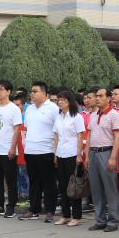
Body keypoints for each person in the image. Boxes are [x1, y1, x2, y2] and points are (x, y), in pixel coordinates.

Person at [20, 82, 60, 222]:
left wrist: (56, 152)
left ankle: (50, 210)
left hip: (46, 151)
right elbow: (27, 128)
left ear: (44, 93)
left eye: (35, 91)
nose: (32, 94)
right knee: (34, 182)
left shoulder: (53, 108)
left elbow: (58, 131)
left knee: (48, 183)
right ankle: (34, 209)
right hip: (30, 151)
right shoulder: (29, 109)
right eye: (31, 91)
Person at [85, 86, 119, 232]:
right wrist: (86, 155)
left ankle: (113, 221)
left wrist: (113, 157)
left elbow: (118, 137)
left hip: (107, 152)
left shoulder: (114, 115)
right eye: (96, 96)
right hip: (93, 153)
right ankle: (100, 220)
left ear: (108, 98)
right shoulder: (93, 115)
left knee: (110, 189)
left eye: (101, 96)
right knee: (96, 189)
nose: (97, 98)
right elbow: (89, 136)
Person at [0, 80, 23, 217]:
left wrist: (13, 147)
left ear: (8, 92)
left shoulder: (14, 108)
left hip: (8, 150)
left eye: (2, 89)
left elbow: (17, 129)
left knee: (10, 180)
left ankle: (11, 206)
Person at [53, 89, 87, 226]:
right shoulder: (59, 117)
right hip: (61, 153)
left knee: (74, 186)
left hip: (72, 154)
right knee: (62, 186)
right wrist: (55, 154)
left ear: (70, 101)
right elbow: (56, 136)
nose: (60, 102)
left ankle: (77, 216)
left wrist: (79, 155)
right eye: (59, 100)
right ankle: (65, 215)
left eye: (63, 100)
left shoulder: (76, 117)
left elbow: (80, 136)